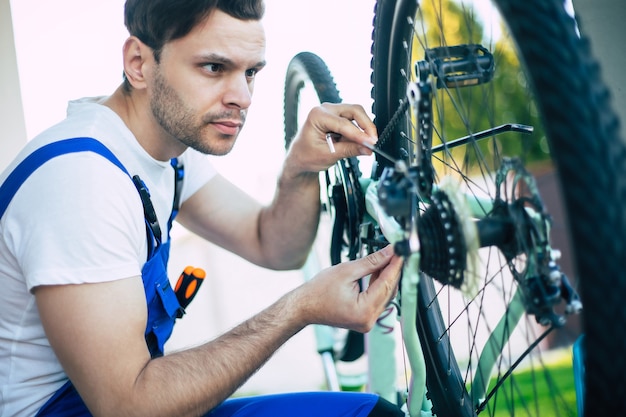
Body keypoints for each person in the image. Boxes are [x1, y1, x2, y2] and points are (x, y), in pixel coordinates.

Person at [0, 1, 405, 416]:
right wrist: (297, 309)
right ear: (138, 63)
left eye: (251, 72)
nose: (243, 97)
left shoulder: (168, 153)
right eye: (214, 68)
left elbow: (273, 244)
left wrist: (299, 166)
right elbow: (127, 407)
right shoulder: (82, 181)